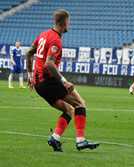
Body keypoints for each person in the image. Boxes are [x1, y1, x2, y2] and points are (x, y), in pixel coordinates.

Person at [26, 9, 99, 152]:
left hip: (39, 84)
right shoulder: (55, 40)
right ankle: (81, 140)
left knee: (69, 109)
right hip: (48, 81)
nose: (69, 24)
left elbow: (29, 53)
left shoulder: (43, 35)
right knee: (80, 104)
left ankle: (55, 138)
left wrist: (29, 75)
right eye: (69, 22)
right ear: (64, 22)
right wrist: (64, 81)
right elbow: (49, 64)